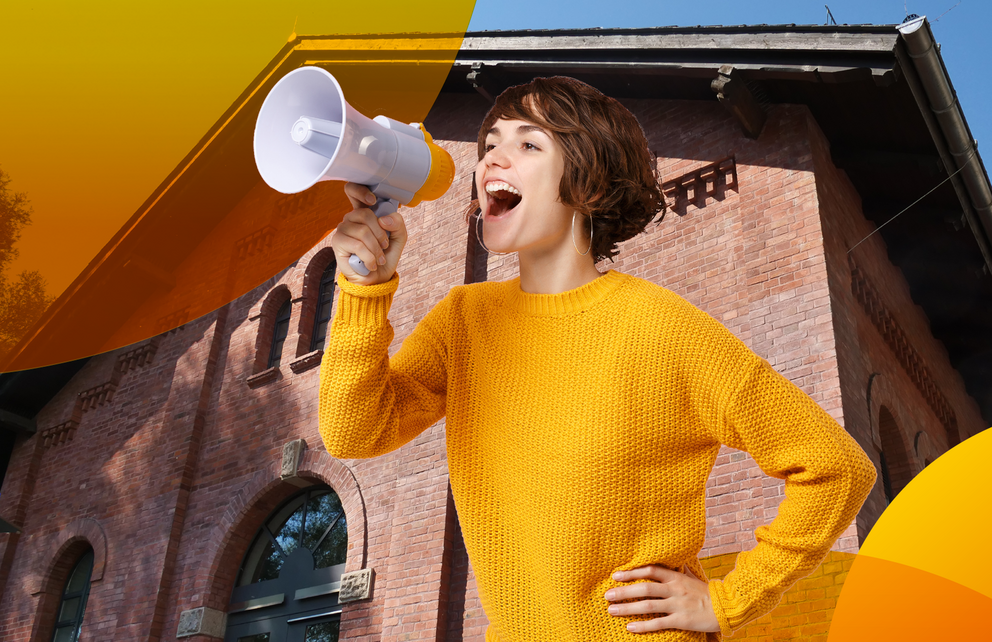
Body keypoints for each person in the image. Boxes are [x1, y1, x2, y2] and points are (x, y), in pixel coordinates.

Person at [319, 77, 876, 642]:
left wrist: (729, 601)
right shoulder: (465, 320)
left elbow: (837, 469)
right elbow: (356, 432)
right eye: (489, 145)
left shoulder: (664, 328)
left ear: (587, 180)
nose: (492, 160)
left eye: (528, 145)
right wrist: (365, 283)